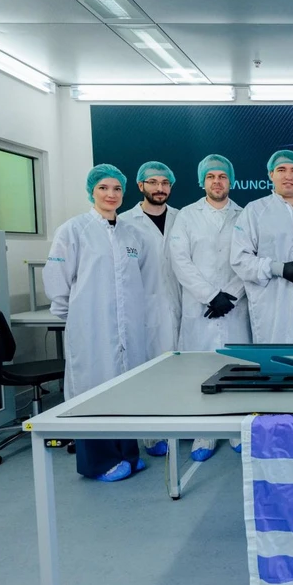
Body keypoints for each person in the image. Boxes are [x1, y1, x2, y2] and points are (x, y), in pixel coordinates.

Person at [43, 164, 159, 482]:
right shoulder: (74, 230)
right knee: (92, 391)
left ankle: (128, 454)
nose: (111, 194)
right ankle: (98, 463)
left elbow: (140, 281)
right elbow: (57, 279)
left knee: (126, 388)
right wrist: (78, 318)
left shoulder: (132, 234)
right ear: (91, 191)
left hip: (128, 329)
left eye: (117, 188)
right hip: (91, 328)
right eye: (103, 188)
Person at [169, 154, 250, 460]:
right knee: (200, 371)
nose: (217, 181)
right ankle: (204, 434)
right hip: (200, 306)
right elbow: (180, 260)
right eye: (211, 176)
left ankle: (236, 430)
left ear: (231, 181)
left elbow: (250, 258)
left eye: (222, 176)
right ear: (202, 181)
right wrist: (210, 295)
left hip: (234, 306)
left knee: (237, 368)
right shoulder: (187, 216)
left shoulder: (245, 215)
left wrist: (230, 295)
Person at [231, 150, 293, 344]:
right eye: (281, 170)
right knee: (277, 356)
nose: (288, 176)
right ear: (271, 174)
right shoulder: (255, 211)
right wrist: (279, 268)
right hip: (273, 308)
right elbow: (240, 259)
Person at [121, 162, 182, 458]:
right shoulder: (124, 222)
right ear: (140, 185)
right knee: (148, 373)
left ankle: (180, 426)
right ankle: (151, 434)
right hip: (144, 309)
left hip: (180, 305)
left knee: (180, 372)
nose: (159, 188)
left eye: (165, 183)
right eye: (153, 182)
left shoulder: (182, 218)